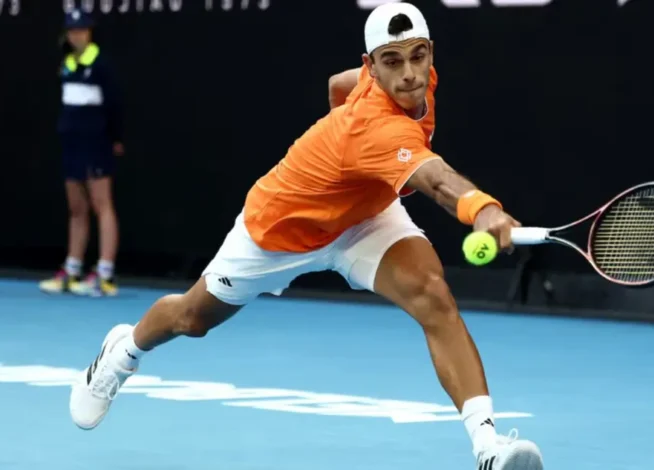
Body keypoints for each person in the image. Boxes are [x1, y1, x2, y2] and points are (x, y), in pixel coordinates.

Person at [68, 3, 544, 469]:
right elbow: (437, 182)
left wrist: (351, 175)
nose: (409, 74)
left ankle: (488, 448)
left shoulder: (412, 80)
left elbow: (338, 85)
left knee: (433, 295)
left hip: (363, 220)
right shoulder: (376, 127)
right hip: (281, 230)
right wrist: (483, 209)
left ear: (430, 52)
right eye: (392, 62)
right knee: (192, 318)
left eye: (417, 56)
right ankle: (121, 353)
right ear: (371, 65)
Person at [39, 9, 123, 297]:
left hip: (96, 144)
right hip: (71, 145)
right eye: (72, 31)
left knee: (102, 204)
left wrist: (115, 138)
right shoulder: (66, 64)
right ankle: (72, 269)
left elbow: (115, 106)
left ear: (90, 33)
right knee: (76, 207)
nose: (77, 36)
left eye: (82, 30)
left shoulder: (101, 65)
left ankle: (105, 274)